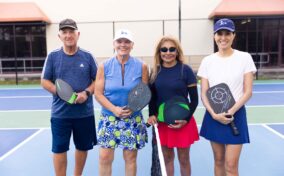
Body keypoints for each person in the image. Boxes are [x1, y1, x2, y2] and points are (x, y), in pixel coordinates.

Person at [197, 18, 257, 176]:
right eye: (219, 33)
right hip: (213, 115)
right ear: (214, 36)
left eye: (227, 33)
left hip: (236, 115)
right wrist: (214, 114)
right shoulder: (207, 61)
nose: (223, 37)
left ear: (233, 35)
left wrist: (230, 111)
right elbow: (204, 93)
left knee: (231, 166)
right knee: (218, 160)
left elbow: (248, 91)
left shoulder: (244, 58)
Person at [41, 18, 98, 176]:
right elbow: (44, 81)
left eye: (71, 31)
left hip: (84, 114)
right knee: (59, 148)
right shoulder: (52, 56)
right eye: (64, 32)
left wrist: (86, 93)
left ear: (78, 34)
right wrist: (62, 93)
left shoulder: (88, 56)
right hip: (60, 114)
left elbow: (97, 81)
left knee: (82, 147)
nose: (68, 35)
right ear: (59, 36)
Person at [95, 29, 149, 176]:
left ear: (132, 45)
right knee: (105, 157)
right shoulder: (103, 66)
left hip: (133, 118)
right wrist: (114, 109)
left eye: (127, 42)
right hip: (109, 118)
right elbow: (98, 94)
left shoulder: (142, 66)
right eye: (119, 41)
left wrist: (134, 108)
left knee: (130, 158)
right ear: (114, 44)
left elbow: (144, 92)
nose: (123, 45)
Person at [147, 36, 199, 176]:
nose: (168, 52)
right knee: (167, 159)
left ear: (177, 51)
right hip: (163, 123)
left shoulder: (185, 70)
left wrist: (186, 119)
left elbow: (194, 100)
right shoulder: (155, 71)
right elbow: (152, 98)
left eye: (172, 49)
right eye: (164, 49)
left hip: (183, 122)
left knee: (184, 159)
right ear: (159, 52)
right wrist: (151, 114)